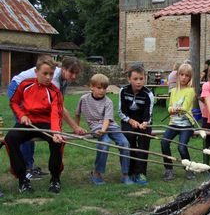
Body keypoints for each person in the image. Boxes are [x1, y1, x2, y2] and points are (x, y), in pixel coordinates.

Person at [8, 56, 86, 180]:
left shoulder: (62, 79)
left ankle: (31, 167)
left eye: (76, 73)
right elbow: (58, 109)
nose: (74, 76)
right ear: (63, 69)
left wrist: (57, 129)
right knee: (26, 127)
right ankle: (28, 169)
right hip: (17, 86)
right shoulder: (52, 78)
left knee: (36, 126)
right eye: (72, 72)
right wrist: (75, 127)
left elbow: (59, 106)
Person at [4, 56, 65, 193]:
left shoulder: (55, 92)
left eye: (51, 74)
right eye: (45, 73)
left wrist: (56, 131)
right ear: (36, 72)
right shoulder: (25, 85)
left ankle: (55, 179)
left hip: (46, 123)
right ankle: (22, 179)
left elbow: (56, 113)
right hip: (28, 122)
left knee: (58, 141)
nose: (49, 77)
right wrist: (22, 115)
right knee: (10, 138)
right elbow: (14, 102)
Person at [75, 74, 134, 185]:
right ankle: (97, 173)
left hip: (110, 125)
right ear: (91, 87)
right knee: (105, 143)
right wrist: (77, 128)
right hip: (96, 126)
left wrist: (103, 129)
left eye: (104, 88)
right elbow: (77, 114)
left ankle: (125, 174)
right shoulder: (84, 99)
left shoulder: (108, 102)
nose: (102, 91)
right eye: (99, 87)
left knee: (124, 143)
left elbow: (107, 119)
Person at [119, 65, 155, 185]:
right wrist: (130, 121)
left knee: (144, 141)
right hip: (128, 120)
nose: (139, 82)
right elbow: (121, 111)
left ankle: (141, 173)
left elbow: (148, 114)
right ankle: (130, 171)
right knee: (129, 139)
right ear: (129, 79)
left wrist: (144, 123)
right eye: (135, 79)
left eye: (141, 78)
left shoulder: (148, 94)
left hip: (144, 121)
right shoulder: (123, 91)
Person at [161, 63, 197, 181]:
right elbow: (169, 106)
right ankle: (169, 169)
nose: (184, 78)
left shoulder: (190, 91)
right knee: (164, 142)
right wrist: (170, 109)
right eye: (181, 75)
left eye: (187, 76)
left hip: (186, 124)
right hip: (174, 123)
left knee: (181, 147)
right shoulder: (173, 91)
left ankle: (189, 169)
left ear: (190, 78)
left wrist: (177, 109)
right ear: (177, 76)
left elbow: (185, 107)